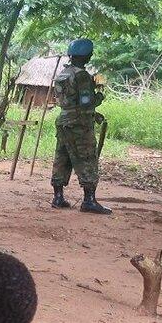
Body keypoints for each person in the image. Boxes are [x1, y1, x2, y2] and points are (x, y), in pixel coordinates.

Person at [51, 39, 111, 214]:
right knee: (87, 158)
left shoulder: (63, 73)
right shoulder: (82, 75)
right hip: (79, 124)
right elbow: (86, 102)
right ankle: (89, 201)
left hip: (63, 120)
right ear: (86, 56)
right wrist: (99, 95)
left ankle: (58, 197)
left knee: (62, 157)